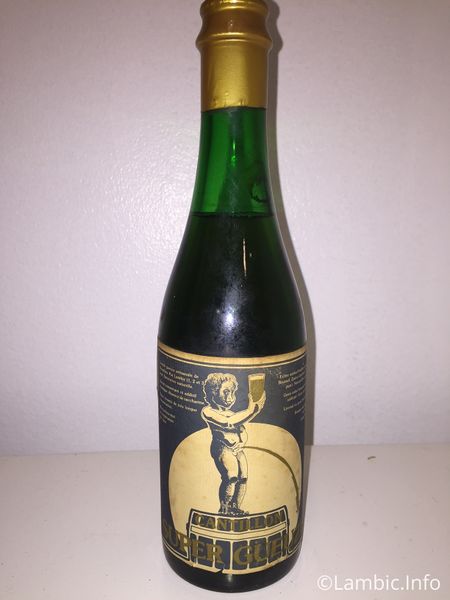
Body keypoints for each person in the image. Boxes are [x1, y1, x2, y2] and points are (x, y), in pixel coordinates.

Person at [201, 373, 266, 516]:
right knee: (231, 477)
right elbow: (228, 422)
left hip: (237, 448)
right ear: (213, 392)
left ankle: (235, 506)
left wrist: (242, 442)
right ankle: (225, 508)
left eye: (232, 392)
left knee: (243, 478)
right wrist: (251, 411)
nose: (230, 396)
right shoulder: (208, 411)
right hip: (222, 447)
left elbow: (242, 430)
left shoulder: (232, 413)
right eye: (225, 392)